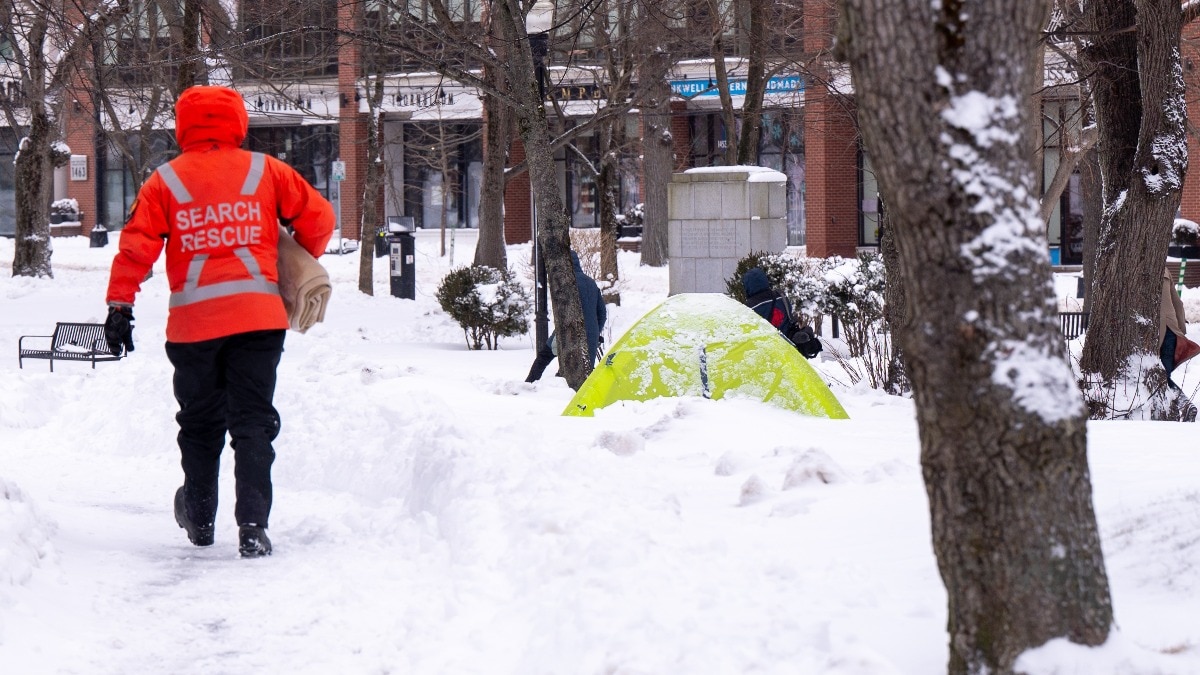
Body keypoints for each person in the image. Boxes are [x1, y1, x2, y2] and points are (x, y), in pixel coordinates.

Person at [104, 85, 334, 558]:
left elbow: (136, 247)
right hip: (258, 319)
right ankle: (253, 526)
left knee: (200, 423)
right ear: (237, 122)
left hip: (194, 326)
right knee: (252, 420)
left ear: (183, 124)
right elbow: (320, 217)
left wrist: (119, 306)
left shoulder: (165, 180)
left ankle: (200, 519)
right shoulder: (266, 170)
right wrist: (295, 257)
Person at [526, 251, 607, 382]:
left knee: (545, 356)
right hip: (591, 333)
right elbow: (602, 313)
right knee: (585, 369)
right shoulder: (591, 283)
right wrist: (596, 331)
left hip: (567, 330)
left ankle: (530, 382)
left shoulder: (564, 282)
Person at [742, 266, 822, 359]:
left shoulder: (748, 308)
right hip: (786, 348)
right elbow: (791, 318)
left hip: (763, 352)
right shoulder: (781, 297)